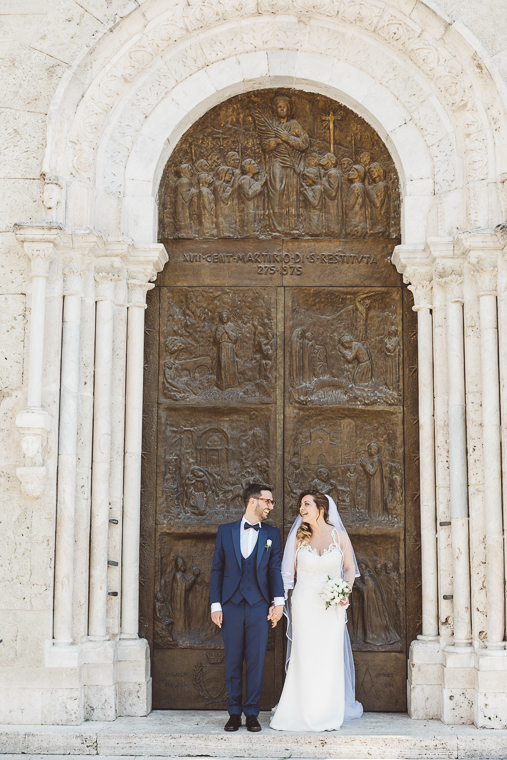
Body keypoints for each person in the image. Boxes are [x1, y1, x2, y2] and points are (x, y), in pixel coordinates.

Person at [270, 492, 363, 731]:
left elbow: (350, 568)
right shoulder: (298, 538)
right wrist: (279, 603)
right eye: (301, 505)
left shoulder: (339, 537)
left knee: (328, 656)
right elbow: (286, 576)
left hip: (332, 607)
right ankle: (300, 710)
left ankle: (326, 711)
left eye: (306, 504)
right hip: (304, 604)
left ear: (321, 508)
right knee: (306, 654)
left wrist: (345, 590)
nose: (301, 508)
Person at [210, 483, 284, 732]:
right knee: (232, 660)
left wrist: (279, 602)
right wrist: (215, 604)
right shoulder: (225, 531)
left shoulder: (272, 535)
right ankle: (233, 712)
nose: (271, 506)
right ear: (253, 501)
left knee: (256, 660)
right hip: (230, 605)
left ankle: (252, 713)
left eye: (271, 502)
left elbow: (274, 569)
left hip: (258, 605)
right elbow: (217, 569)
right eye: (268, 501)